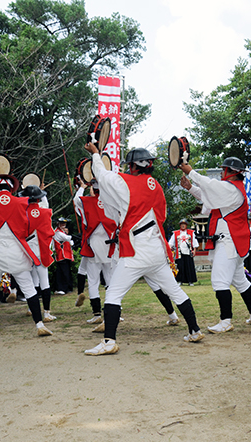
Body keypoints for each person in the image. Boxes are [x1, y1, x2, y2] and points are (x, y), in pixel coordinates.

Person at [83, 144, 204, 355]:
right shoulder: (155, 185)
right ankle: (194, 329)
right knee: (175, 291)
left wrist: (95, 154)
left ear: (132, 165)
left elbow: (101, 176)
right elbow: (162, 214)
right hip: (156, 248)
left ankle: (109, 341)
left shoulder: (124, 181)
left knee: (113, 294)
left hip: (136, 249)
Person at [180, 156, 251, 333]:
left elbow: (209, 186)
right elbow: (208, 195)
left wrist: (190, 171)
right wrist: (190, 188)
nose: (222, 172)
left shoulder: (230, 189)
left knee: (219, 281)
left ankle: (226, 321)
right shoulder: (233, 189)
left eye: (224, 169)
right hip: (231, 240)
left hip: (229, 241)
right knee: (240, 281)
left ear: (230, 172)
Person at [0, 172, 52, 339]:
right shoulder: (22, 202)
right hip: (17, 253)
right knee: (29, 289)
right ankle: (40, 324)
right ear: (11, 188)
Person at [73, 176, 117, 326]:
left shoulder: (86, 202)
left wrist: (82, 186)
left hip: (93, 245)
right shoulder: (112, 202)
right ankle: (115, 312)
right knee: (111, 280)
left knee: (93, 281)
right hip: (110, 245)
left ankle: (97, 314)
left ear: (93, 188)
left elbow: (76, 200)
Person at [21, 185, 57, 322]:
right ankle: (47, 313)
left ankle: (31, 309)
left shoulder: (22, 212)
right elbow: (45, 205)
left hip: (27, 250)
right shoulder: (45, 212)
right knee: (44, 281)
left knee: (31, 281)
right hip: (41, 249)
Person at [168, 218, 198, 285]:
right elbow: (170, 243)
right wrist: (170, 249)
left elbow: (194, 242)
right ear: (180, 225)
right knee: (180, 267)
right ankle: (180, 281)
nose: (183, 226)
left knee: (189, 266)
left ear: (186, 225)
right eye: (182, 224)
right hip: (179, 252)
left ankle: (190, 281)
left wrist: (194, 250)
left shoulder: (191, 233)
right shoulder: (175, 233)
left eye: (184, 224)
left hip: (188, 251)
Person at [53, 217, 74, 295]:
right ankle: (61, 288)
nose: (64, 225)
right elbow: (68, 238)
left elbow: (71, 243)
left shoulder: (62, 232)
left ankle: (68, 287)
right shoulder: (58, 233)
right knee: (62, 272)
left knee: (66, 272)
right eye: (62, 223)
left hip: (66, 254)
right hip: (61, 255)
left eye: (64, 223)